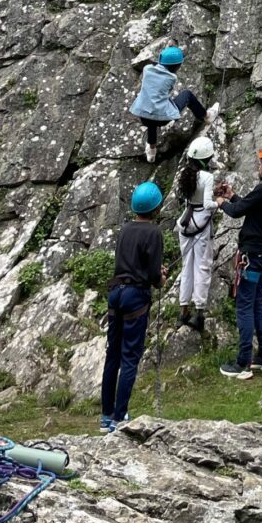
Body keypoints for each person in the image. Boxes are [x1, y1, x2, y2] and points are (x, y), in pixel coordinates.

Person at [215, 143, 262, 380]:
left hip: (252, 254)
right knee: (256, 303)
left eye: (260, 162)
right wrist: (233, 196)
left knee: (244, 306)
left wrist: (222, 203)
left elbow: (237, 212)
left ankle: (243, 363)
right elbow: (252, 207)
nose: (258, 167)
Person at [100, 181, 165, 433]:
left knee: (112, 356)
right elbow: (151, 274)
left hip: (116, 293)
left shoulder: (125, 229)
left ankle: (106, 416)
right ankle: (119, 416)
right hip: (136, 296)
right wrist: (160, 278)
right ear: (156, 208)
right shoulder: (154, 233)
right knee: (130, 357)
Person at [129, 46, 219, 164]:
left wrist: (167, 50)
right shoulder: (171, 77)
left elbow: (157, 65)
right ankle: (206, 116)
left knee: (151, 116)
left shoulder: (147, 69)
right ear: (177, 66)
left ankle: (151, 152)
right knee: (187, 95)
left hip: (142, 115)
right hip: (162, 119)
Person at [174, 136, 218, 332]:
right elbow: (208, 204)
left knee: (187, 267)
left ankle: (183, 310)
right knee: (202, 266)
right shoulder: (207, 177)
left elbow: (187, 198)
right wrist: (221, 202)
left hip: (185, 223)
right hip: (201, 223)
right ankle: (199, 311)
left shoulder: (185, 174)